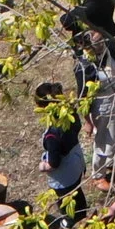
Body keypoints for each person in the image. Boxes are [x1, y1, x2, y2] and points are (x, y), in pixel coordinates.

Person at [37, 80, 87, 220]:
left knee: (66, 199)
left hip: (64, 174)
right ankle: (82, 212)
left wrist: (43, 166)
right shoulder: (69, 113)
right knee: (77, 190)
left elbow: (54, 163)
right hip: (76, 159)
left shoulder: (52, 135)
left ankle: (71, 220)